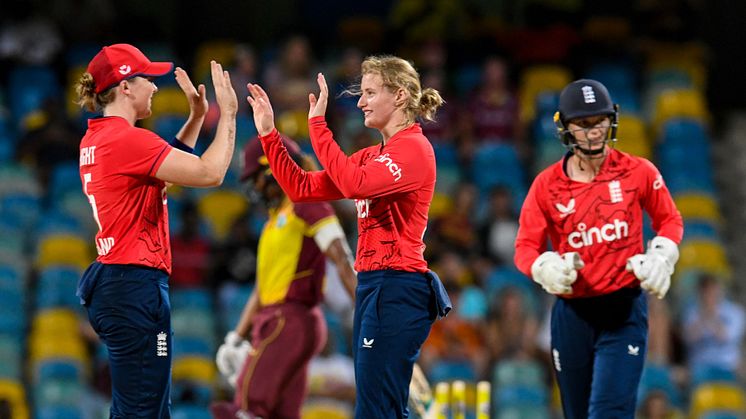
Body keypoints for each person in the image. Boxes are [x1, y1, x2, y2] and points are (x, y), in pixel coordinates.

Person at [245, 55, 452, 418]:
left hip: (397, 287)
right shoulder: (374, 156)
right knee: (379, 407)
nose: (360, 102)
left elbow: (353, 183)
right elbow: (300, 188)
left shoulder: (414, 151)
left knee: (376, 409)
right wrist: (269, 135)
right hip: (375, 287)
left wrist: (318, 126)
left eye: (370, 92)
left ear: (400, 96)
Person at [74, 43, 237, 418]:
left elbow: (160, 166)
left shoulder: (99, 138)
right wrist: (227, 114)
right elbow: (210, 173)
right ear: (126, 86)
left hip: (119, 283)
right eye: (148, 78)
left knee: (145, 408)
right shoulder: (127, 139)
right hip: (134, 286)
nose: (155, 86)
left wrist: (196, 118)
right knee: (142, 411)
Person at [514, 79, 683, 419]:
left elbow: (670, 220)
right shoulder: (546, 186)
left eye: (600, 122)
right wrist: (543, 266)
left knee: (609, 412)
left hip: (624, 311)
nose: (593, 132)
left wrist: (662, 255)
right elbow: (525, 247)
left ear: (612, 120)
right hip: (572, 315)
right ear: (565, 126)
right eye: (583, 124)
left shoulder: (638, 171)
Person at [210, 134, 357, 419]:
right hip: (280, 321)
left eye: (256, 178)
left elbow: (341, 257)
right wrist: (236, 338)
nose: (254, 187)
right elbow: (262, 289)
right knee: (281, 413)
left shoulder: (306, 202)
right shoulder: (277, 217)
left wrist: (365, 310)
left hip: (288, 320)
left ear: (272, 169)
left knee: (247, 407)